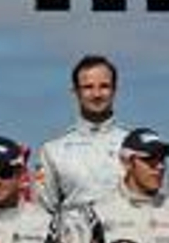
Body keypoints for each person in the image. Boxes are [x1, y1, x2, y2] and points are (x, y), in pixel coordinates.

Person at [36, 54, 130, 217]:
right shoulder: (53, 151)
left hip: (128, 238)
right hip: (75, 239)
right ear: (75, 92)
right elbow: (44, 213)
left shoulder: (133, 145)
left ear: (115, 90)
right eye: (88, 87)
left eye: (104, 86)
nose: (97, 94)